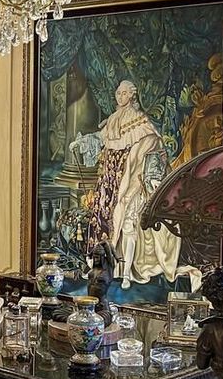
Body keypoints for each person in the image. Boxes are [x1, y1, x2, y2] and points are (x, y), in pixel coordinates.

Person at [72, 80, 199, 290]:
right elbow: (101, 138)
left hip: (131, 181)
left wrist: (135, 169)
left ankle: (125, 272)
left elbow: (152, 147)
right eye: (118, 93)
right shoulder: (114, 118)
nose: (120, 97)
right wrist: (82, 141)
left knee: (127, 223)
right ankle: (103, 267)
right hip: (109, 182)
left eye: (124, 93)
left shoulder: (140, 120)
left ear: (132, 95)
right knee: (102, 222)